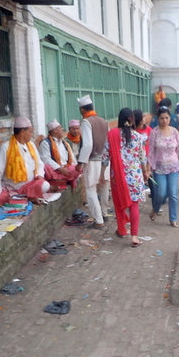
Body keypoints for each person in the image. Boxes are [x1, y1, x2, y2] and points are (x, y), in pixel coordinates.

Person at [102, 108, 148, 247]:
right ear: (132, 119)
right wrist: (145, 173)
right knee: (134, 205)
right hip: (135, 177)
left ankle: (122, 229)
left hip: (118, 176)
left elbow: (105, 157)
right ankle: (134, 236)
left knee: (119, 202)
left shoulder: (112, 135)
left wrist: (101, 174)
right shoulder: (139, 137)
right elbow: (142, 158)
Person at [0, 116, 49, 205]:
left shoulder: (31, 145)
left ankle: (25, 196)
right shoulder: (6, 147)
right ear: (22, 132)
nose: (32, 134)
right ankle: (26, 197)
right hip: (12, 187)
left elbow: (39, 164)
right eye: (30, 132)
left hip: (30, 185)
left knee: (45, 186)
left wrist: (39, 175)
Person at [148, 107, 179, 227]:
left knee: (173, 194)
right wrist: (149, 167)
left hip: (174, 167)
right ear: (157, 119)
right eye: (161, 118)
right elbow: (151, 152)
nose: (164, 120)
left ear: (170, 118)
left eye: (166, 118)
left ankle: (173, 219)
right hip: (159, 168)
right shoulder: (154, 132)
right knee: (161, 193)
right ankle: (155, 209)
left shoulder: (174, 131)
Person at [77, 95, 110, 230]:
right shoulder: (103, 121)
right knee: (104, 187)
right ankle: (104, 213)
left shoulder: (86, 122)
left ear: (82, 109)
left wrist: (81, 161)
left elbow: (87, 145)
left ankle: (98, 220)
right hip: (105, 160)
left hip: (92, 160)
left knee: (91, 190)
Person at [38, 120, 82, 191]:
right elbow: (46, 159)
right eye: (60, 128)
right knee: (46, 167)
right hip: (54, 170)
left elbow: (71, 158)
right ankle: (69, 178)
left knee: (79, 168)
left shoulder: (64, 143)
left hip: (66, 169)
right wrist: (60, 168)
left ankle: (69, 178)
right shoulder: (45, 143)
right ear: (55, 130)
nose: (62, 130)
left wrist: (71, 168)